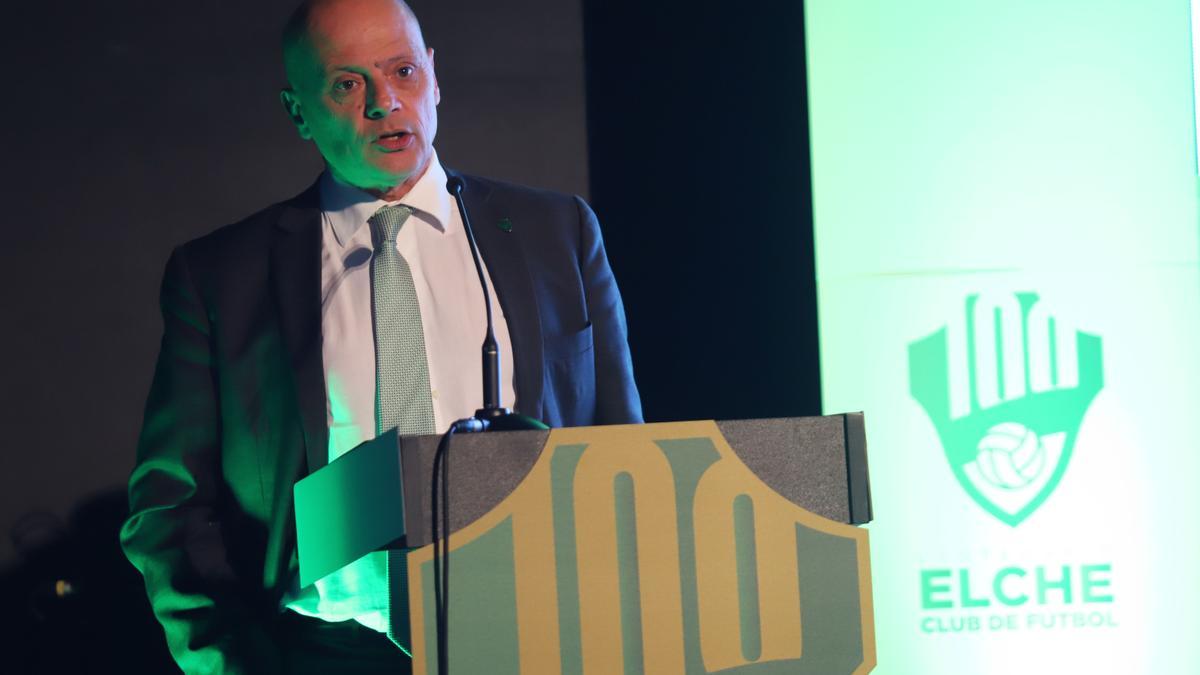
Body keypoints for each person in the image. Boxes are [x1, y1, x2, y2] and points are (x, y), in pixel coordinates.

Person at [118, 0, 642, 672]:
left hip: (536, 637)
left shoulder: (556, 232)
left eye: (402, 70)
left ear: (434, 74)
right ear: (298, 109)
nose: (384, 102)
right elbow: (170, 508)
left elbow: (624, 455)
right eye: (347, 83)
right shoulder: (221, 276)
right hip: (324, 651)